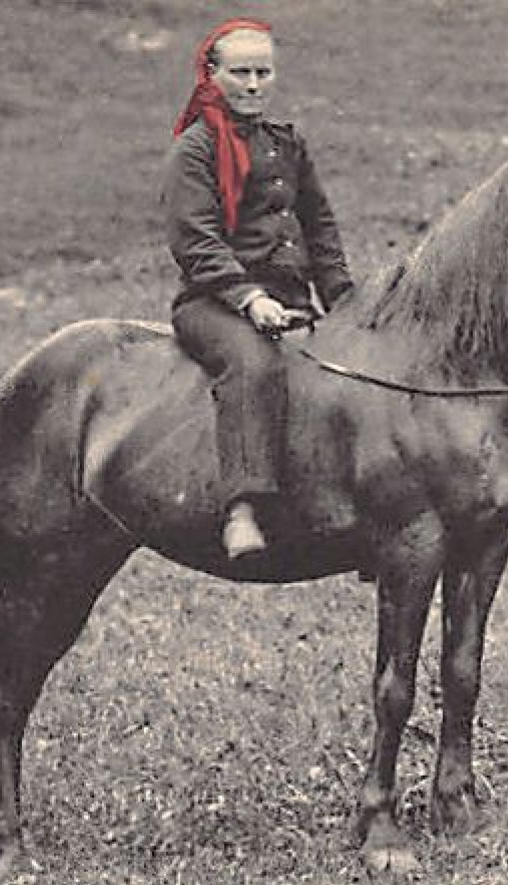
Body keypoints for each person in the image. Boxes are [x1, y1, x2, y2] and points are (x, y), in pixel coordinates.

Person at [164, 18, 354, 559]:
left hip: (292, 301)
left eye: (263, 72)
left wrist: (341, 298)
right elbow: (194, 240)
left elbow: (319, 226)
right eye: (240, 72)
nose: (253, 84)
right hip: (213, 303)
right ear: (212, 76)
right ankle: (241, 510)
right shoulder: (195, 150)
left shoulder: (286, 144)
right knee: (256, 365)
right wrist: (249, 298)